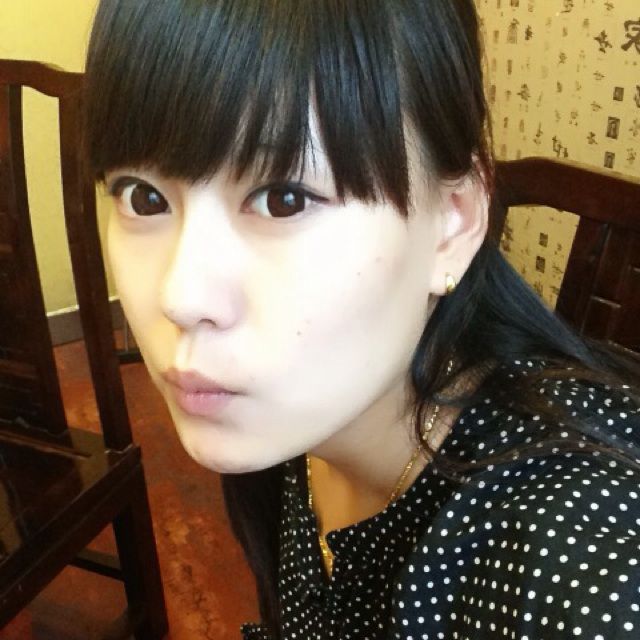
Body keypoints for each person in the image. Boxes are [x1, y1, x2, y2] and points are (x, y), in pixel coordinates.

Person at [82, 1, 640, 638]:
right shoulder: (297, 418)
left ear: (452, 221)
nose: (180, 298)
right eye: (143, 197)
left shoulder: (581, 571)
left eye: (284, 199)